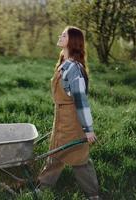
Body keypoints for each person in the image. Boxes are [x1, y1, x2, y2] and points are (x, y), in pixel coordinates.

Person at [36, 26, 100, 200]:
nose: (60, 36)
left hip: (72, 120)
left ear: (72, 41)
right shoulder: (64, 64)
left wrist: (88, 129)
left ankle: (93, 195)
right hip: (61, 117)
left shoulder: (74, 69)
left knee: (79, 158)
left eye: (63, 35)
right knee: (55, 153)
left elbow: (81, 102)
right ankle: (43, 187)